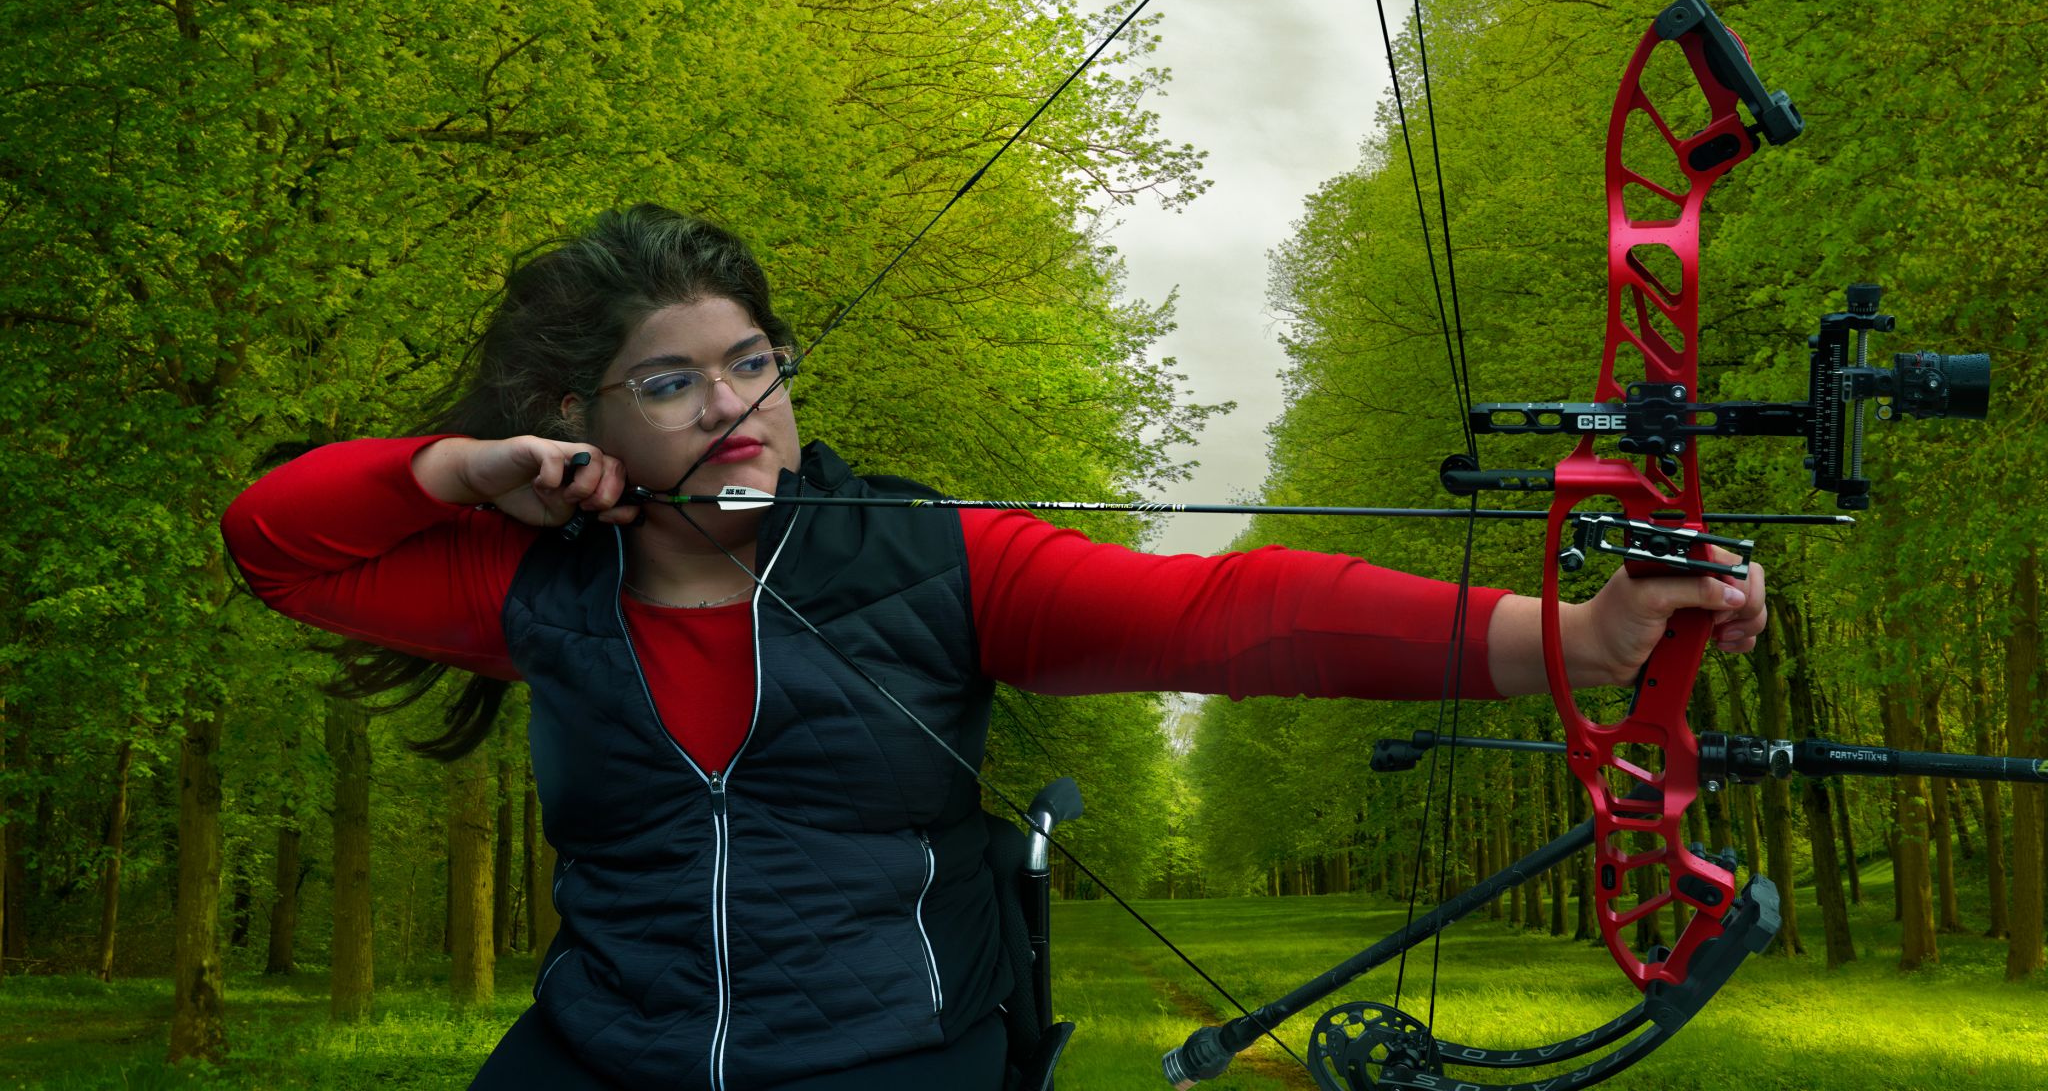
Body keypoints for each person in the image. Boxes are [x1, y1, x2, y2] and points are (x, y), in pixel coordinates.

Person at [220, 204, 1765, 1091]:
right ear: (583, 423)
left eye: (753, 363)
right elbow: (275, 547)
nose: (738, 408)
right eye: (673, 385)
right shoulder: (533, 586)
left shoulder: (934, 559)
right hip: (602, 1051)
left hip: (895, 1054)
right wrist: (450, 471)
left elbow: (1233, 618)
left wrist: (1574, 636)